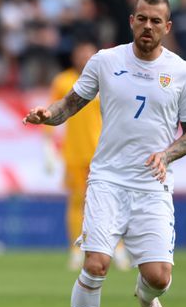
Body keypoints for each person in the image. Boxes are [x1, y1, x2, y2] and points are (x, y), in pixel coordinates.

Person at [24, 0, 186, 307]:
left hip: (153, 184)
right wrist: (47, 115)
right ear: (132, 21)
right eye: (142, 19)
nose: (148, 27)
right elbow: (69, 104)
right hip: (107, 179)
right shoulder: (105, 61)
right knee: (97, 264)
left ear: (167, 27)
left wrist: (167, 154)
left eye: (156, 21)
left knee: (158, 277)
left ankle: (146, 297)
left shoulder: (184, 72)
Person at [48, 40, 130, 271]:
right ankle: (76, 249)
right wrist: (48, 147)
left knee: (110, 201)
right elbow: (52, 109)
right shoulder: (63, 81)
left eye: (88, 53)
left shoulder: (109, 79)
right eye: (80, 52)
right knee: (77, 201)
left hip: (102, 153)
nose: (84, 57)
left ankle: (118, 247)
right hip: (74, 152)